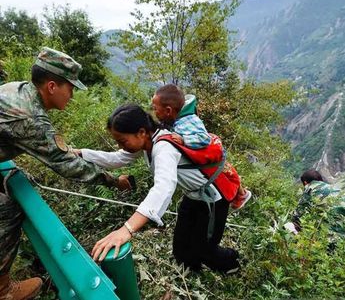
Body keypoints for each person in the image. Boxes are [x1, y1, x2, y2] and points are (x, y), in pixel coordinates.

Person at [0, 47, 130, 300]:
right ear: (51, 86)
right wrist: (112, 181)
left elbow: (53, 147)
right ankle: (2, 290)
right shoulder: (31, 118)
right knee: (7, 210)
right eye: (70, 88)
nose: (72, 95)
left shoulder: (19, 90)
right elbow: (66, 164)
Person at [79, 104, 241, 273]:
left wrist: (127, 229)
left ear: (141, 132)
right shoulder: (149, 142)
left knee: (205, 248)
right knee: (181, 249)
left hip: (212, 200)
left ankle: (233, 263)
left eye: (122, 141)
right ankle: (192, 272)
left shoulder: (164, 148)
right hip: (193, 196)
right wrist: (81, 153)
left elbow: (164, 187)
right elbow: (117, 158)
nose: (121, 145)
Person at [151, 84, 251, 210]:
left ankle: (241, 195)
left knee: (227, 175)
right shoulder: (177, 118)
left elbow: (204, 138)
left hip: (207, 154)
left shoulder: (188, 121)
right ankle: (240, 194)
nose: (154, 112)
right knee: (227, 174)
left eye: (155, 109)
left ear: (169, 111)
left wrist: (184, 140)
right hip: (204, 157)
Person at [285, 169, 345, 238]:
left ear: (305, 182)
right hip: (342, 235)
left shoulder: (310, 189)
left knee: (289, 226)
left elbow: (297, 214)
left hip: (331, 236)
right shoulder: (336, 189)